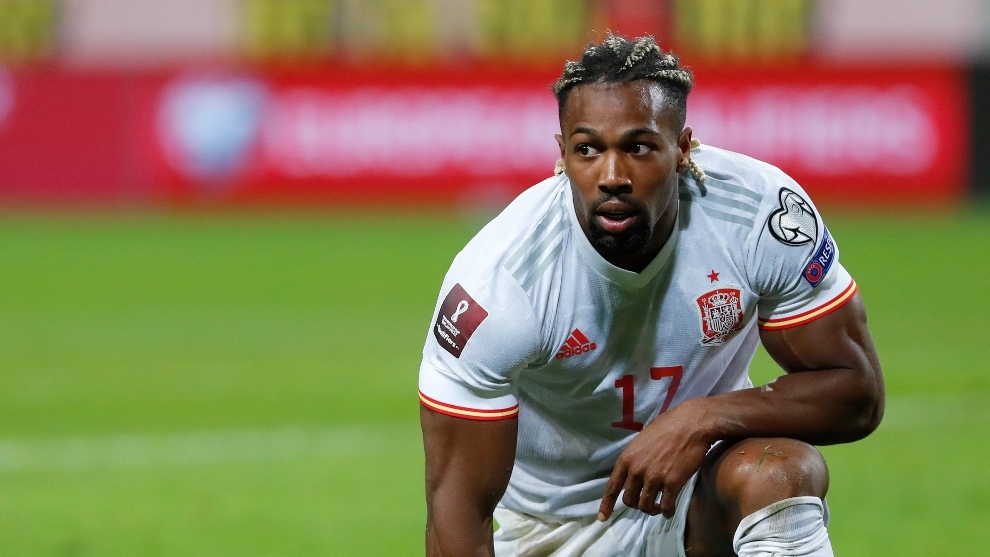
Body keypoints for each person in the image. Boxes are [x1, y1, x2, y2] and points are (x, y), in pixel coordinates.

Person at [419, 33, 884, 557]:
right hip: (548, 528)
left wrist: (702, 418)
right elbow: (457, 507)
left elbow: (857, 394)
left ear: (683, 149)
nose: (612, 176)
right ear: (563, 153)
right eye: (588, 149)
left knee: (777, 472)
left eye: (638, 147)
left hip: (690, 502)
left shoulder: (760, 216)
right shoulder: (500, 282)